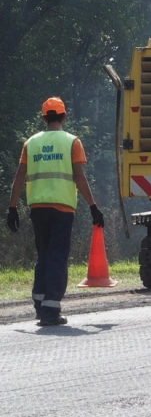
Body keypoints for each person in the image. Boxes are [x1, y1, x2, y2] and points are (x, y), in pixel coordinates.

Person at [6, 97, 104, 326]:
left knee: (44, 256)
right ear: (64, 116)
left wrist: (11, 208)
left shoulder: (31, 143)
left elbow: (19, 176)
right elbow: (80, 178)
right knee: (57, 258)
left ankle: (40, 305)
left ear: (44, 118)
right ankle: (51, 310)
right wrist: (93, 206)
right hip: (62, 208)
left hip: (37, 208)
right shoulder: (72, 142)